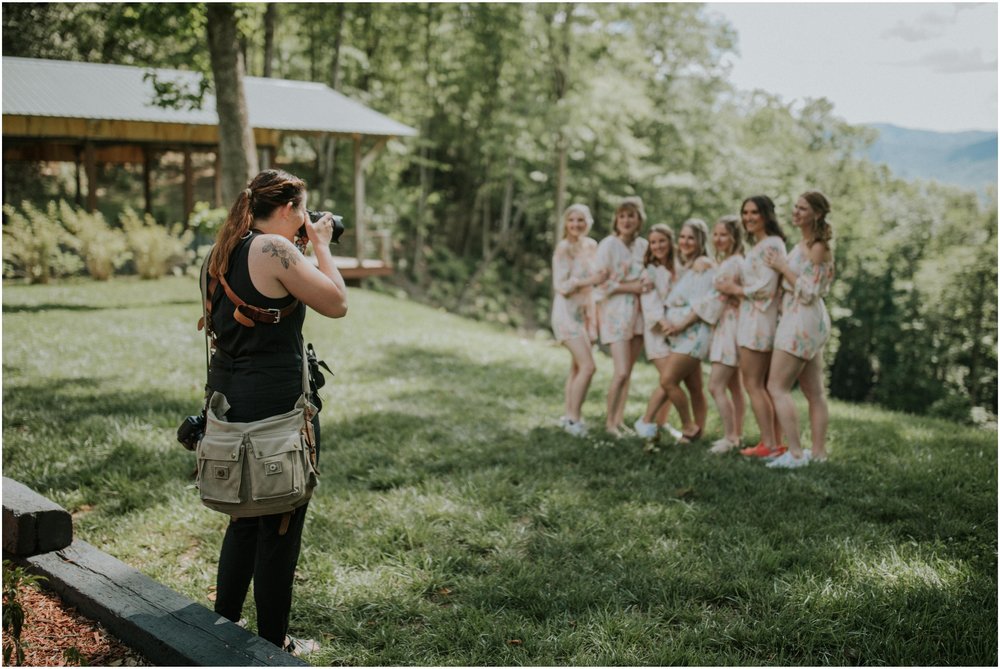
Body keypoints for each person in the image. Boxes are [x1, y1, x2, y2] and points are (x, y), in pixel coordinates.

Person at [204, 169, 347, 654]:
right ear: (287, 210)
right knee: (281, 523)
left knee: (244, 517)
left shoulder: (226, 247)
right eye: (303, 211)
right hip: (276, 412)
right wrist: (323, 244)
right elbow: (337, 302)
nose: (308, 220)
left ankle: (219, 625)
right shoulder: (273, 249)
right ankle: (272, 642)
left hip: (230, 402)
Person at [763, 191, 835, 468]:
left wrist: (782, 267)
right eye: (795, 207)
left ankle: (795, 453)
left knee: (776, 386)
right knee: (814, 392)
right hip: (803, 317)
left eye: (802, 208)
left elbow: (809, 291)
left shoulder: (818, 247)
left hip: (801, 318)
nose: (795, 212)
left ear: (816, 214)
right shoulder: (804, 242)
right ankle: (817, 454)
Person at [716, 196, 786, 459]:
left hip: (759, 321)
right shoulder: (760, 245)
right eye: (745, 213)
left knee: (754, 384)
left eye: (754, 212)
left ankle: (769, 444)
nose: (748, 218)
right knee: (762, 385)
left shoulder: (772, 245)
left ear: (767, 215)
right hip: (751, 317)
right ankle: (774, 442)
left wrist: (736, 289)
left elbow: (766, 288)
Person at [653, 219, 717, 443]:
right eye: (682, 237)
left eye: (691, 238)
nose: (685, 242)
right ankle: (697, 434)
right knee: (694, 386)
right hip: (681, 335)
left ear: (700, 241)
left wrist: (679, 325)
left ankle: (688, 426)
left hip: (694, 333)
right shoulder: (687, 265)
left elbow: (701, 306)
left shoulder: (703, 265)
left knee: (668, 381)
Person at [592, 196, 652, 437]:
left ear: (639, 220)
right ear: (616, 220)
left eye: (631, 216)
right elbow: (599, 285)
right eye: (622, 215)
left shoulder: (644, 246)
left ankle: (619, 421)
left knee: (629, 370)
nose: (626, 220)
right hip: (616, 313)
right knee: (621, 371)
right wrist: (631, 287)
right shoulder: (608, 245)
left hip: (639, 314)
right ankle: (609, 423)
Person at [551, 203, 607, 436]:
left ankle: (569, 416)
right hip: (566, 314)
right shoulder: (563, 248)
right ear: (566, 223)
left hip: (586, 313)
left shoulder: (592, 246)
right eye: (572, 220)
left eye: (581, 220)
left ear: (588, 222)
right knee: (588, 366)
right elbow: (562, 287)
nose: (576, 225)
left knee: (576, 367)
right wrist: (590, 280)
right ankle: (574, 420)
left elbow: (600, 277)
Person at [633, 223, 683, 443]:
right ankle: (646, 420)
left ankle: (660, 423)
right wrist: (667, 326)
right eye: (653, 242)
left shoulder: (679, 267)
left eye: (662, 241)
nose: (658, 246)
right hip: (657, 333)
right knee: (669, 379)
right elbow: (651, 308)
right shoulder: (649, 272)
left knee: (671, 380)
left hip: (677, 332)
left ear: (670, 242)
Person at [705, 215, 746, 455]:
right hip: (731, 324)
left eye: (724, 235)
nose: (718, 239)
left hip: (729, 327)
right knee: (734, 386)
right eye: (716, 234)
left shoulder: (732, 264)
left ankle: (730, 437)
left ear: (734, 237)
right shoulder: (732, 261)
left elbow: (718, 300)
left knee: (715, 385)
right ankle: (736, 434)